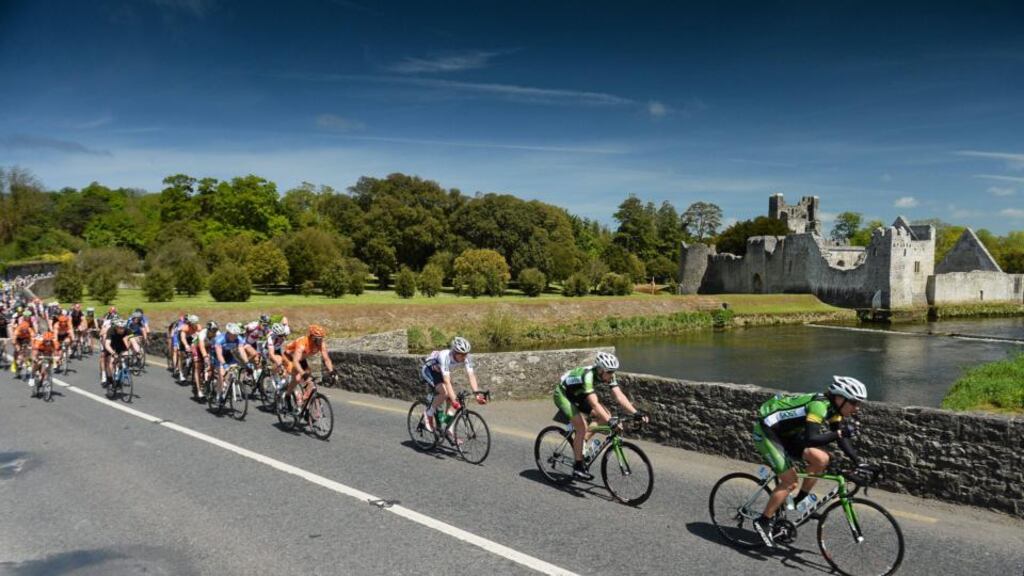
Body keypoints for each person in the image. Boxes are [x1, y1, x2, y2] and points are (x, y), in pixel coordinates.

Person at [751, 376, 867, 548]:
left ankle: (799, 501)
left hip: (788, 433)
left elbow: (841, 438)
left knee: (822, 459)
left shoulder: (834, 409)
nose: (856, 408)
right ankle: (763, 521)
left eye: (859, 403)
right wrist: (839, 434)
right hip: (767, 431)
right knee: (790, 481)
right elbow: (812, 438)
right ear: (840, 398)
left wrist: (859, 462)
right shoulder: (819, 406)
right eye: (854, 402)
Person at [553, 351, 647, 480]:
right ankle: (578, 467)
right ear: (601, 370)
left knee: (606, 415)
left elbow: (619, 396)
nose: (612, 374)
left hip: (579, 394)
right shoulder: (588, 376)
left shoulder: (608, 374)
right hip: (564, 395)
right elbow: (595, 403)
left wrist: (636, 413)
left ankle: (582, 443)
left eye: (613, 371)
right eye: (609, 372)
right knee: (581, 427)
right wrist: (610, 421)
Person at [420, 336, 485, 437]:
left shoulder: (467, 357)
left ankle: (447, 427)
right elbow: (446, 381)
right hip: (429, 370)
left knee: (453, 400)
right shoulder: (445, 356)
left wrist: (477, 394)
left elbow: (471, 375)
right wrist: (454, 399)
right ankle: (428, 414)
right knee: (445, 393)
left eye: (466, 354)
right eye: (462, 354)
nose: (464, 357)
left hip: (441, 372)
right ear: (455, 352)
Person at [283, 324, 334, 411]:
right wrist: (303, 374)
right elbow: (295, 361)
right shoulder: (302, 343)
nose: (321, 341)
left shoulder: (321, 344)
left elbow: (326, 359)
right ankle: (287, 396)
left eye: (322, 338)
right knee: (297, 378)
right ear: (312, 337)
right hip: (290, 357)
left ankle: (304, 403)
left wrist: (332, 371)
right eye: (318, 339)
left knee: (310, 381)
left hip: (301, 359)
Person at [212, 322, 248, 403]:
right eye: (233, 335)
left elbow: (242, 352)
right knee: (221, 374)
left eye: (236, 335)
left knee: (232, 370)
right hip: (217, 355)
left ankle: (227, 384)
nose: (235, 337)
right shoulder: (220, 339)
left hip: (228, 354)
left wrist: (247, 362)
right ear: (228, 333)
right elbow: (219, 355)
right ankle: (218, 394)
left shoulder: (239, 339)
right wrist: (224, 365)